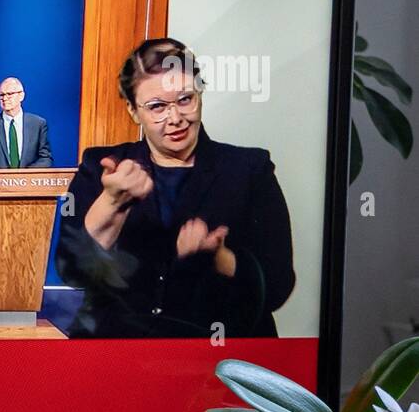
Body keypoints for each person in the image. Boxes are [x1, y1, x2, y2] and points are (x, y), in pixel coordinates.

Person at [56, 38, 295, 338]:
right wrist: (111, 202)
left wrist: (222, 259)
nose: (175, 118)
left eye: (185, 99)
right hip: (120, 353)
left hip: (221, 357)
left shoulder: (250, 169)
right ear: (132, 110)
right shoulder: (102, 166)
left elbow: (278, 286)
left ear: (200, 94)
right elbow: (72, 272)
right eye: (157, 107)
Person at [0, 77, 54, 169]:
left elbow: (46, 158)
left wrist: (22, 178)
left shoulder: (38, 124)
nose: (4, 98)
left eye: (10, 94)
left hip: (28, 181)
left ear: (21, 96)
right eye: (1, 95)